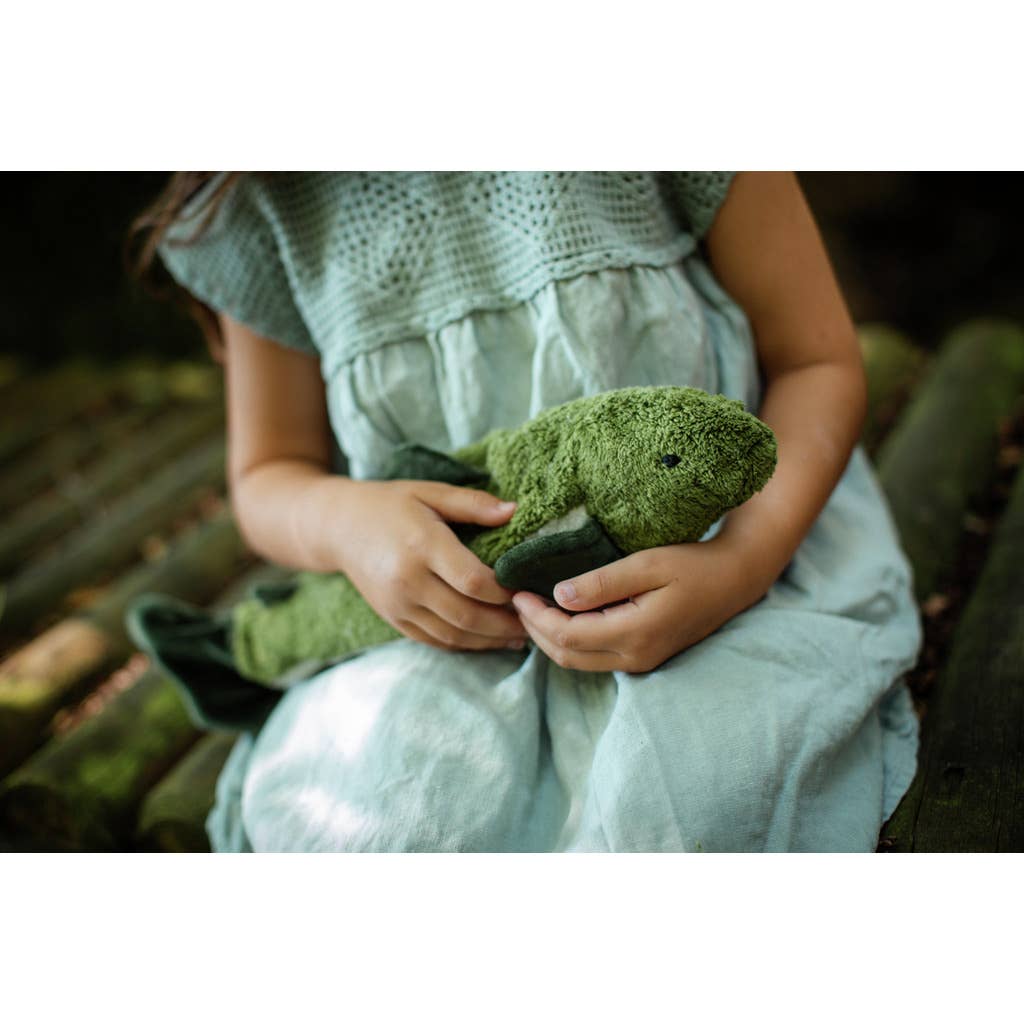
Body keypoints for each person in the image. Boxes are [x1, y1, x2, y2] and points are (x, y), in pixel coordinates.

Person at [135, 171, 922, 852]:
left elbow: (815, 360)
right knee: (389, 822)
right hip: (442, 631)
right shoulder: (264, 198)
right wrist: (350, 522)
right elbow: (271, 475)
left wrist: (743, 563)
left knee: (704, 804)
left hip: (739, 559)